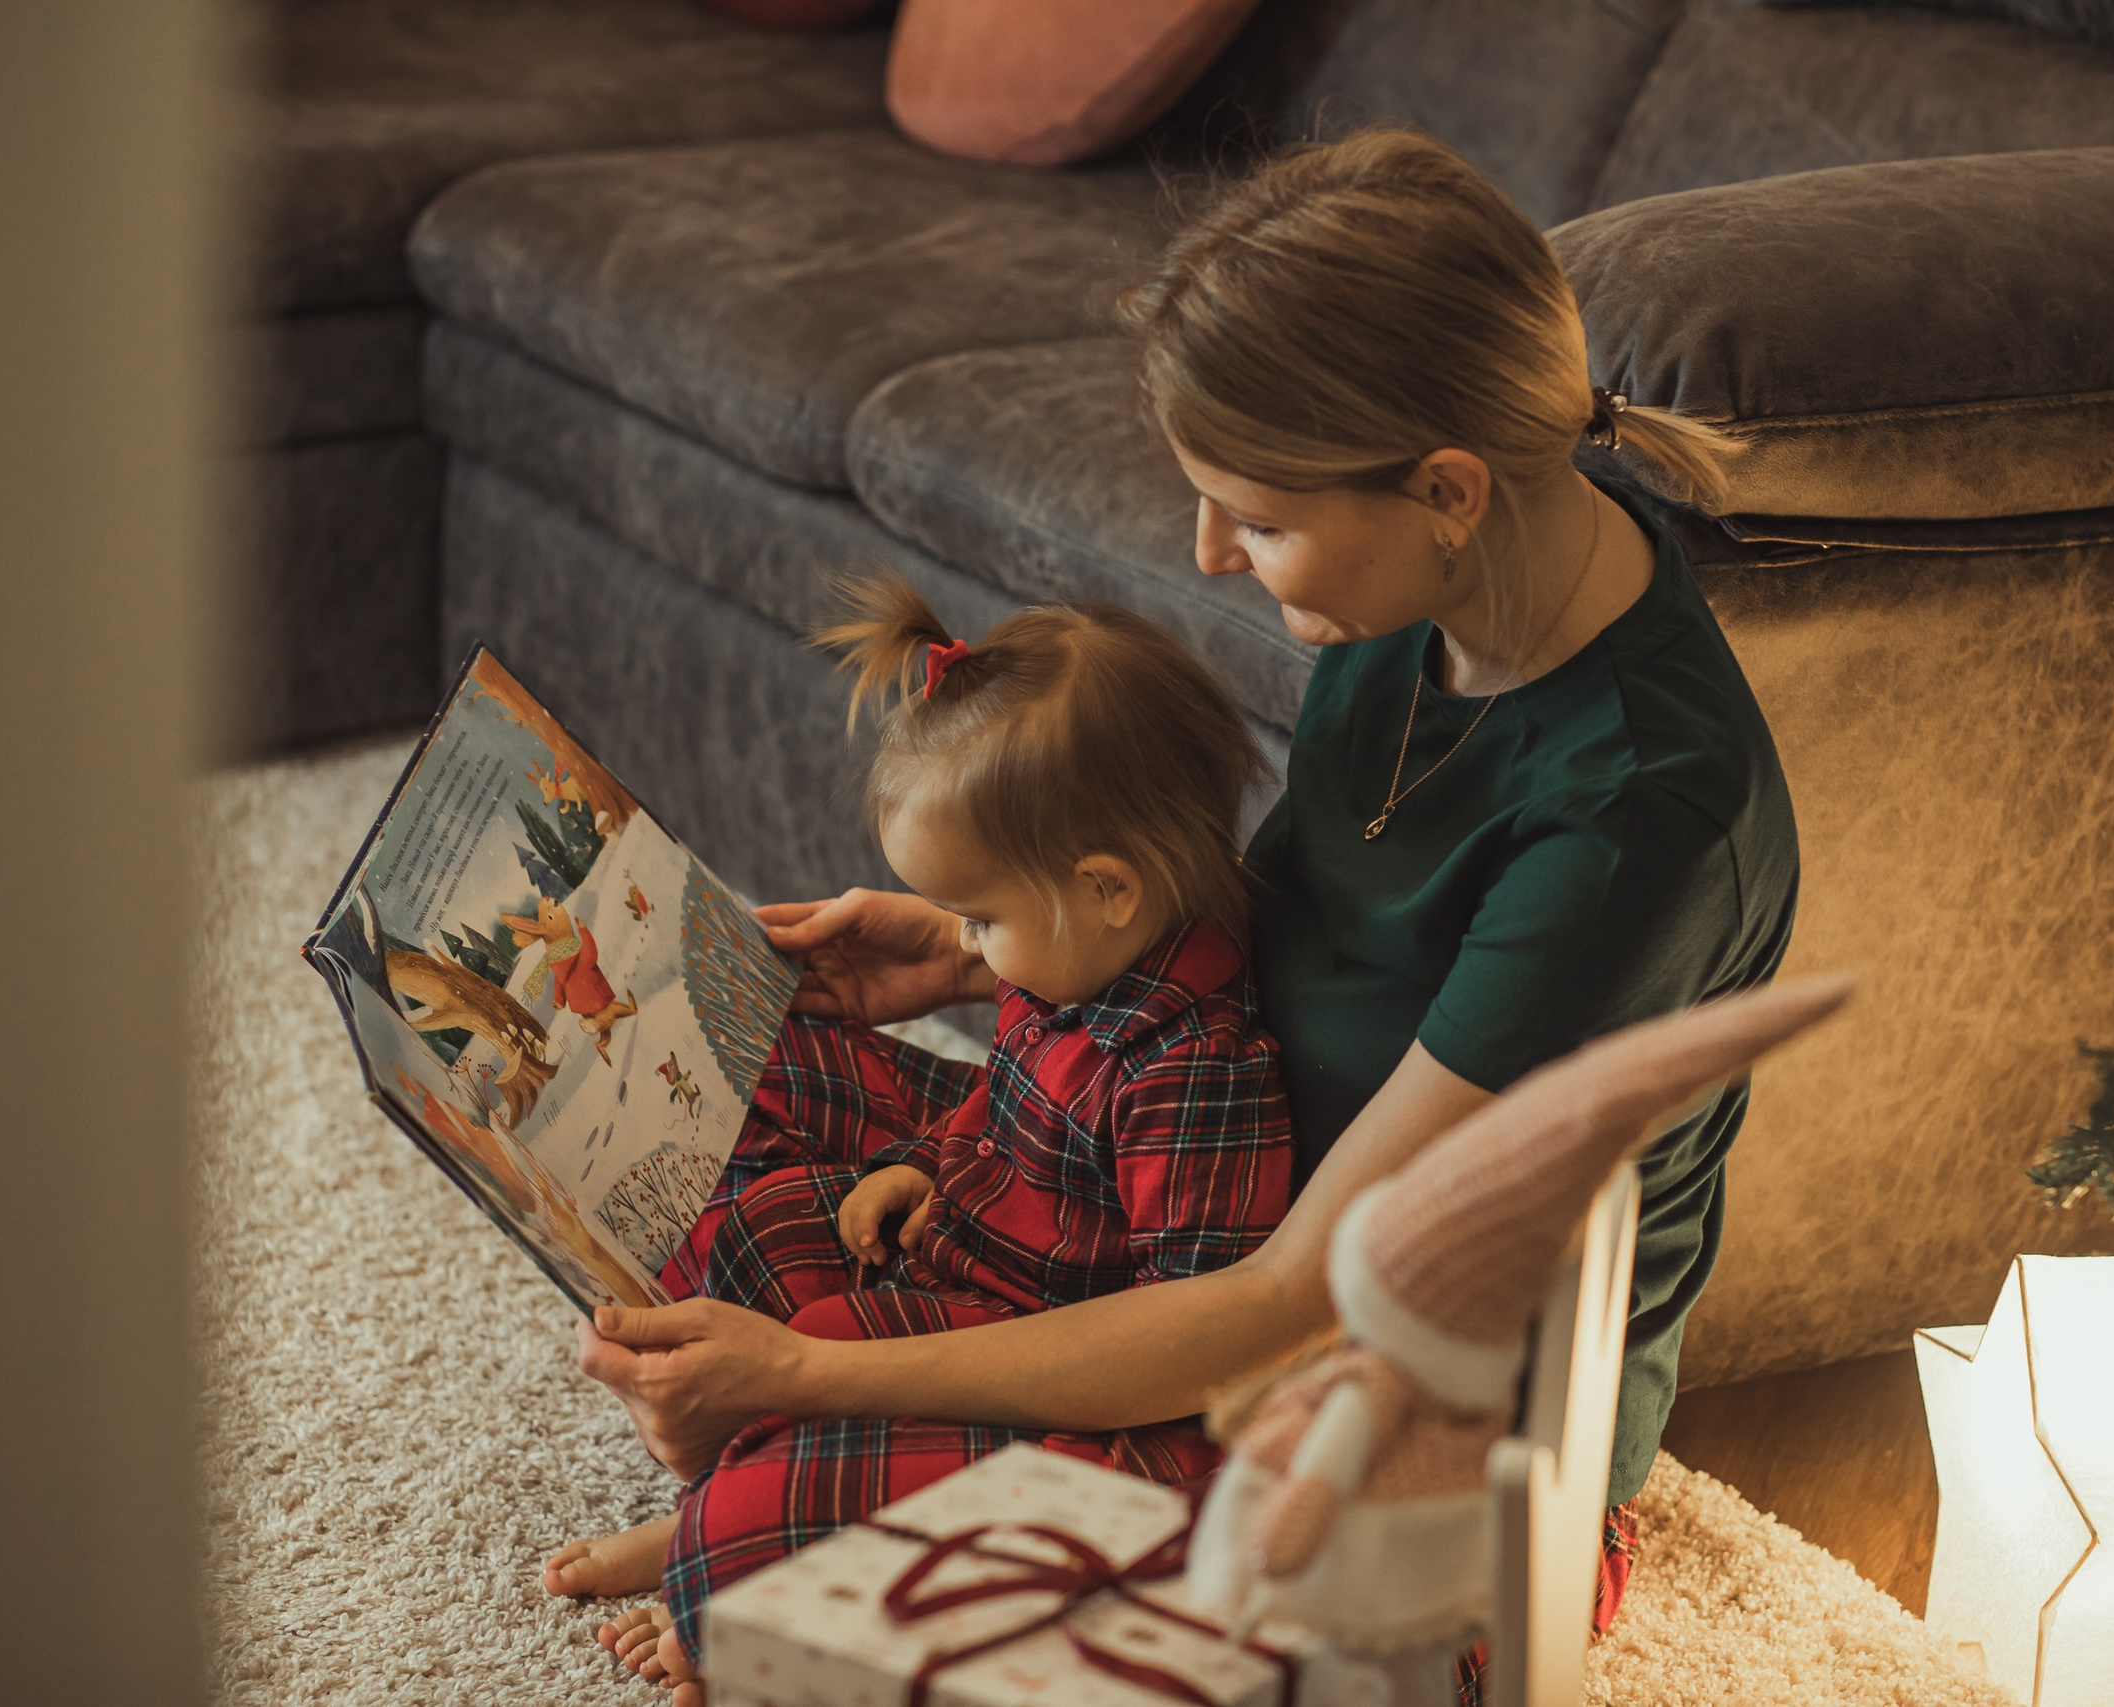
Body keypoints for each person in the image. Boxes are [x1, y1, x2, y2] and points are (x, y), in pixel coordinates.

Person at [558, 128, 1799, 1707]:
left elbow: (1276, 1309)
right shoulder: (1422, 599)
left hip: (1394, 1417)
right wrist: (966, 941)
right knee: (727, 1056)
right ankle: (789, 1498)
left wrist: (811, 1373)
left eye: (1257, 517)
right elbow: (1266, 918)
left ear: (1446, 491)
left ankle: (762, 1516)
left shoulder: (1634, 820)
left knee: (760, 1526)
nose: (1212, 553)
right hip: (1173, 1168)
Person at [564, 578, 1294, 1686]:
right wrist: (916, 1161)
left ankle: (714, 1528)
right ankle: (738, 1491)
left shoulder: (1197, 1071)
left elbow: (1191, 1358)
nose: (965, 947)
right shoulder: (1071, 963)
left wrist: (846, 1374)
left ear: (1105, 888)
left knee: (741, 1551)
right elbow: (1000, 1097)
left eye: (980, 919)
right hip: (963, 1272)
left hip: (1076, 1383)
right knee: (748, 1226)